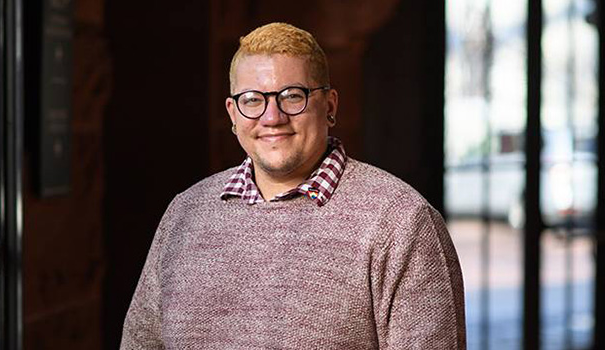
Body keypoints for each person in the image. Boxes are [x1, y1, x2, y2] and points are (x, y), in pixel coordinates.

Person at [120, 22, 466, 349]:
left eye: (292, 96)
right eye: (253, 100)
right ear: (232, 113)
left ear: (329, 106)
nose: (272, 117)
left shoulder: (401, 222)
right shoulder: (185, 213)